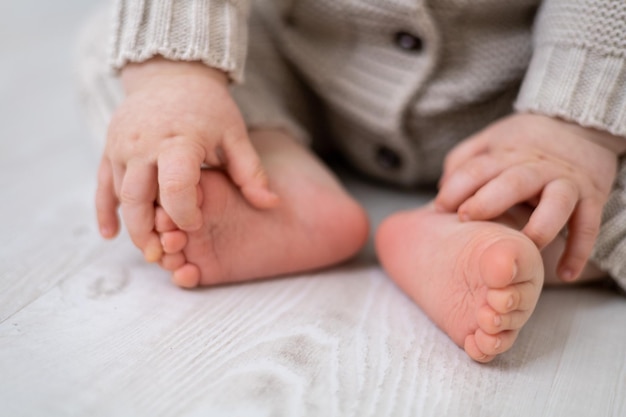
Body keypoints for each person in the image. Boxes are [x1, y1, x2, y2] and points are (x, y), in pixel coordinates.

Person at [77, 0, 626, 362]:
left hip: (539, 105)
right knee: (121, 49)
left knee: (584, 183)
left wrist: (577, 121)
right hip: (307, 72)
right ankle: (274, 170)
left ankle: (500, 225)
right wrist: (176, 76)